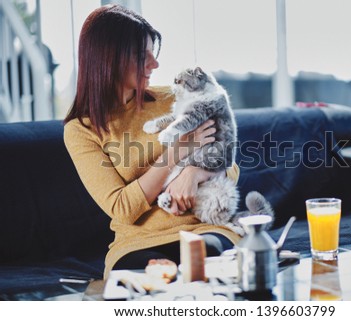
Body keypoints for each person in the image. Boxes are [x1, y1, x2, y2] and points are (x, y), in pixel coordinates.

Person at [63, 4, 240, 278]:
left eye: (152, 53)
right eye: (141, 56)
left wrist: (193, 172)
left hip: (202, 228)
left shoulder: (174, 98)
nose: (155, 64)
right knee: (147, 279)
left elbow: (230, 164)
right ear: (108, 59)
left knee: (208, 260)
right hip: (137, 243)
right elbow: (122, 208)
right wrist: (176, 153)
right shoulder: (81, 130)